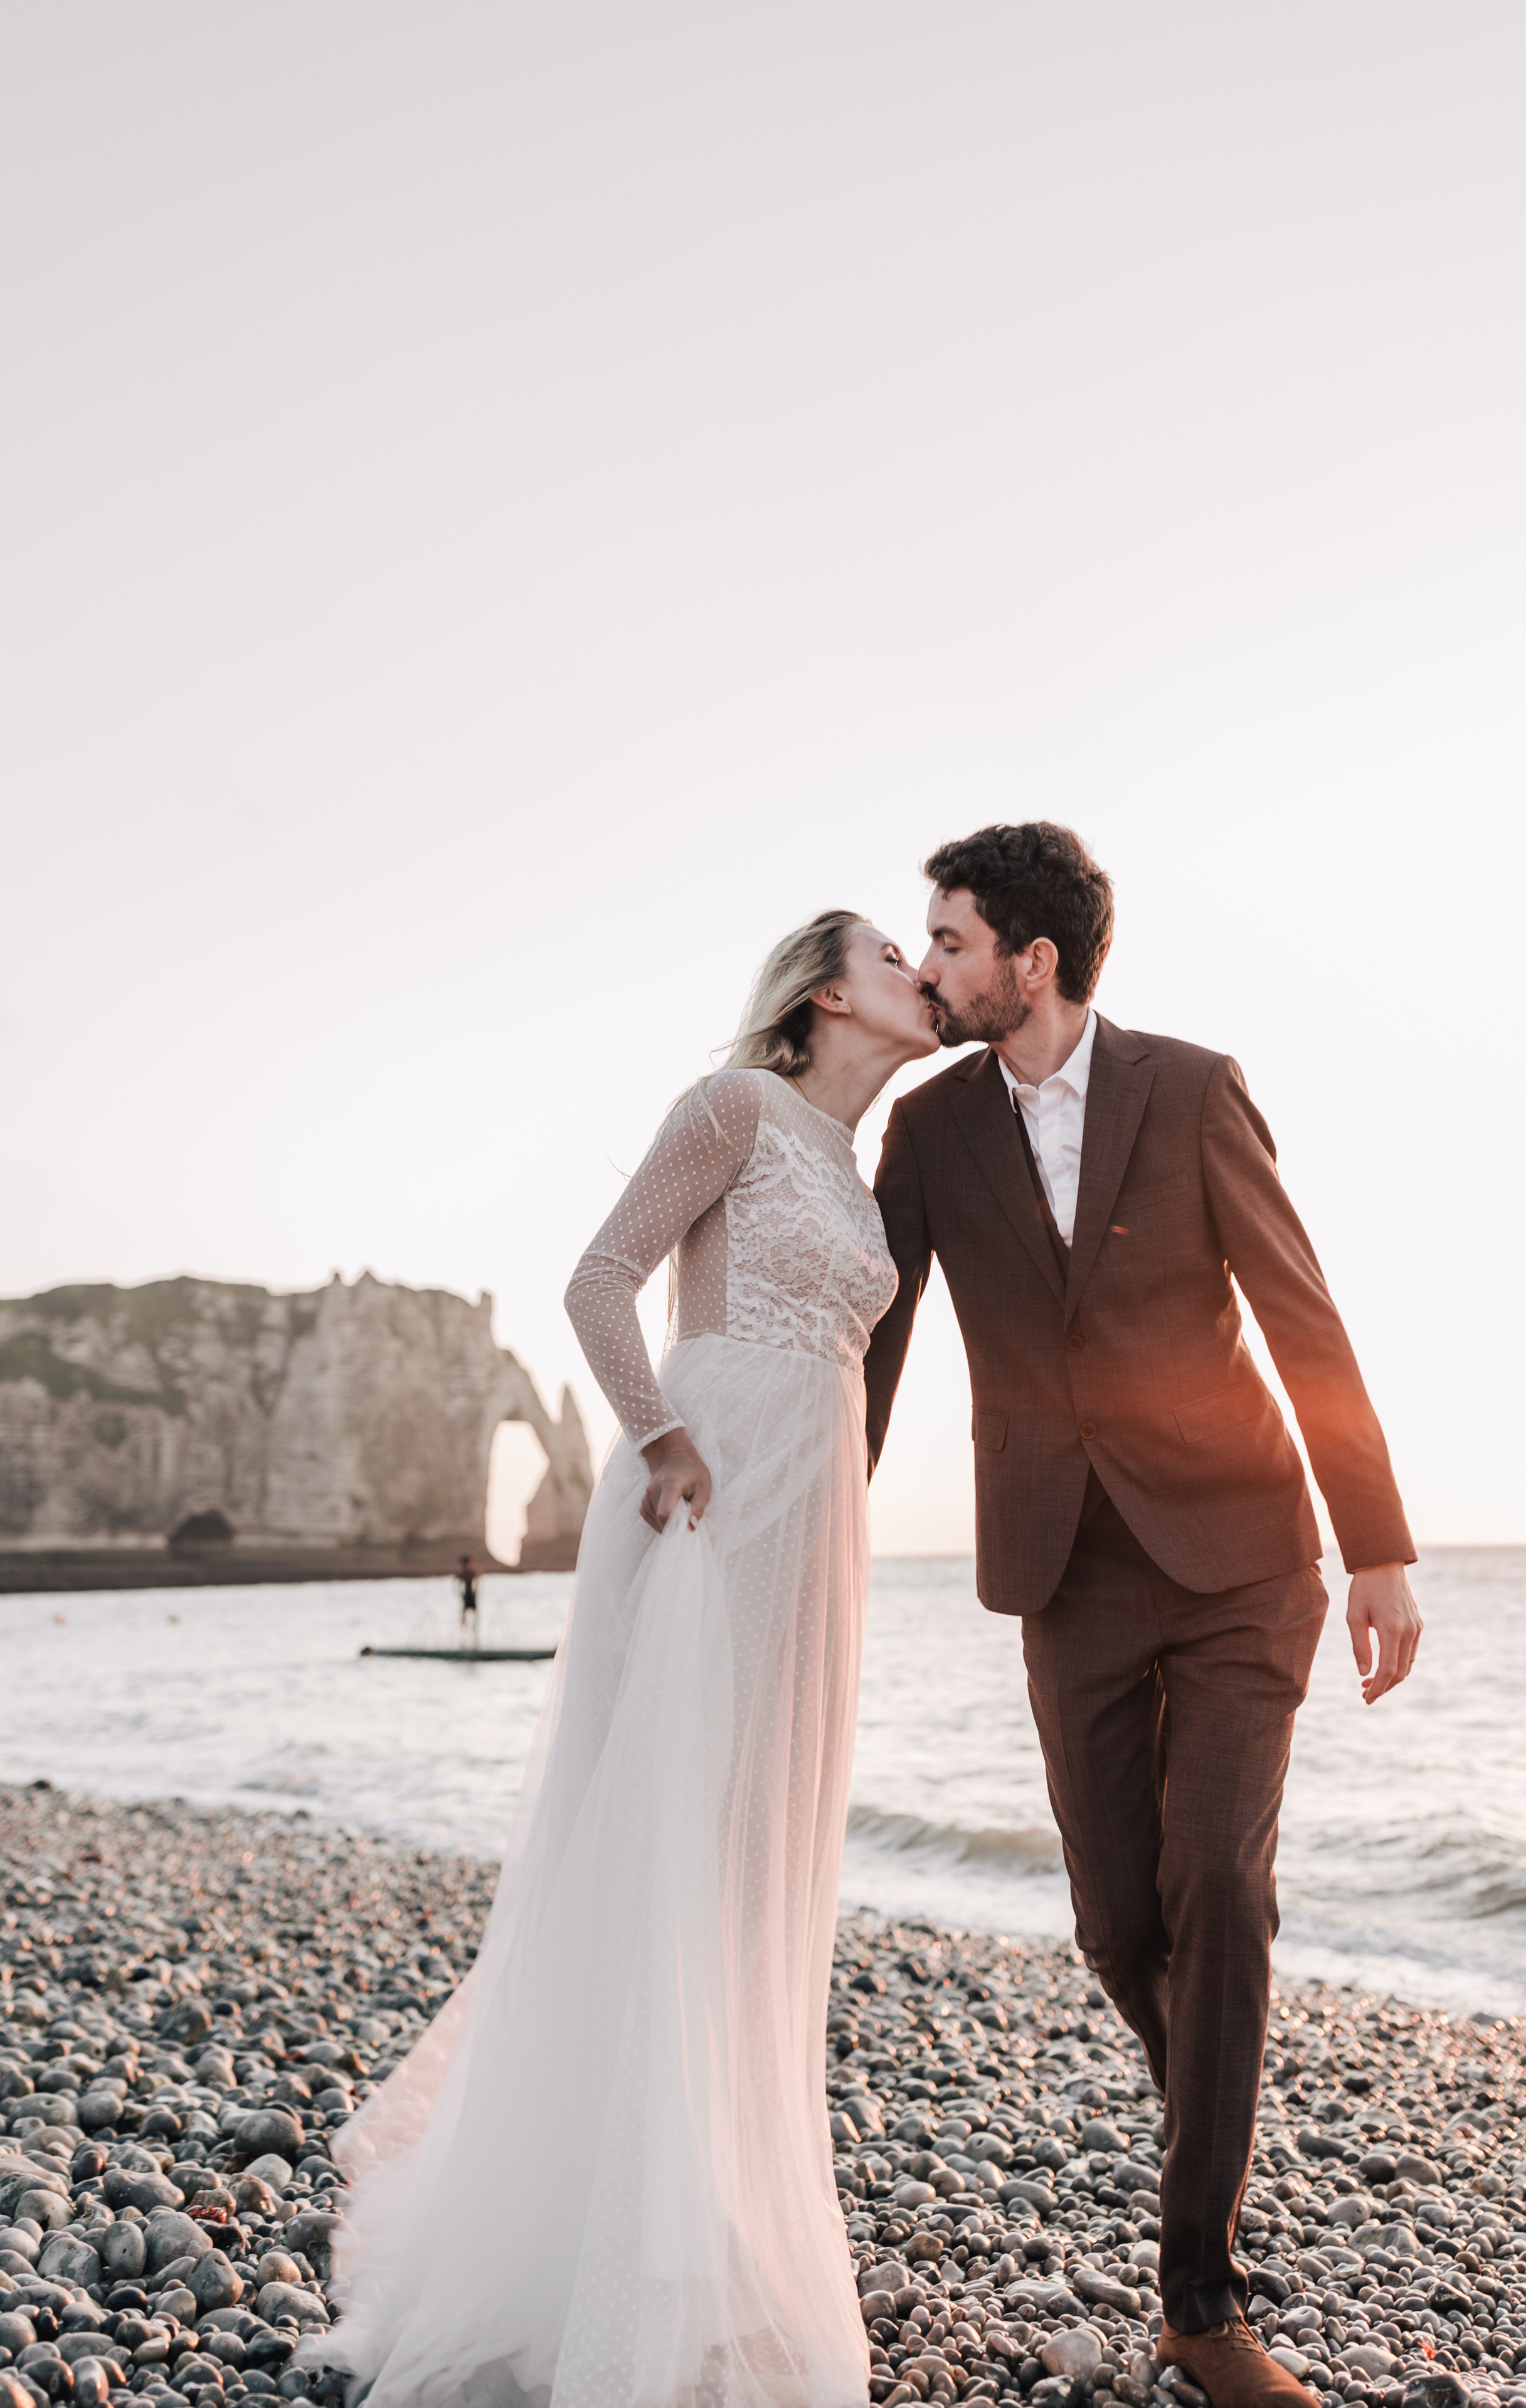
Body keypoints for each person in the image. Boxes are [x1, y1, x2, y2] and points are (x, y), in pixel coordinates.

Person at [314, 909, 938, 2408]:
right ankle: (617, 2267)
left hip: (814, 1523)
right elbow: (599, 1278)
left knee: (751, 1868)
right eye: (893, 953)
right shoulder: (735, 1105)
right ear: (823, 990)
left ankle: (714, 2231)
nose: (920, 972)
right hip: (703, 1491)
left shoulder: (862, 1165)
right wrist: (660, 1436)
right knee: (663, 1850)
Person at [862, 821, 1423, 2408]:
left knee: (1216, 1886)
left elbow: (1296, 1305)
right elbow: (877, 1342)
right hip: (1068, 1574)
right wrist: (809, 1520)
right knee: (1119, 1920)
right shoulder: (929, 1127)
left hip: (1243, 1557)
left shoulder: (1188, 1087)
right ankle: (1217, 2092)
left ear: (1031, 961)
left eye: (950, 939)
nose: (927, 963)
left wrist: (1373, 1545)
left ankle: (1200, 2300)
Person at [456, 1553, 479, 1646]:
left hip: (471, 1596)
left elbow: (476, 1585)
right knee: (465, 1615)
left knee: (473, 1615)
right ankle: (464, 1634)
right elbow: (459, 1585)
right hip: (467, 1596)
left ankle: (473, 1634)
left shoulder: (472, 1573)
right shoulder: (464, 1574)